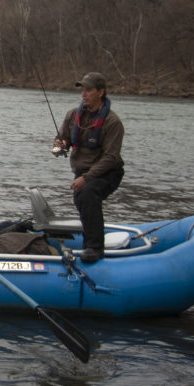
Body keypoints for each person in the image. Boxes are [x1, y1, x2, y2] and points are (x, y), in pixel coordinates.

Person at [53, 72, 125, 262]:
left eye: (89, 90)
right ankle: (91, 236)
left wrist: (85, 178)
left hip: (109, 172)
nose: (84, 94)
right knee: (82, 198)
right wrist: (60, 146)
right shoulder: (72, 115)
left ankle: (95, 247)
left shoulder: (112, 122)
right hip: (82, 172)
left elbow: (111, 157)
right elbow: (63, 139)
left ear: (100, 92)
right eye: (82, 90)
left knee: (87, 193)